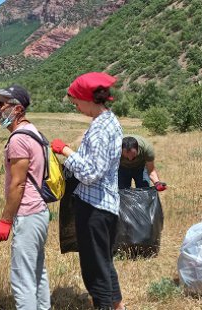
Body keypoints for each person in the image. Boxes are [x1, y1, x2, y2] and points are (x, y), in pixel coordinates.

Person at [51, 72, 126, 310]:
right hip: (105, 205)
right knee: (104, 262)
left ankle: (104, 305)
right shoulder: (109, 121)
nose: (75, 106)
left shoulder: (100, 129)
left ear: (87, 99)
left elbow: (91, 173)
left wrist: (66, 152)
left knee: (95, 268)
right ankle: (117, 305)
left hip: (95, 208)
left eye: (76, 101)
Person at [0, 85, 50, 310]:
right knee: (37, 272)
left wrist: (5, 220)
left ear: (17, 109)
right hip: (39, 212)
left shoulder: (18, 139)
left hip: (27, 213)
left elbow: (18, 183)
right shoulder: (34, 131)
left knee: (22, 279)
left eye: (1, 104)